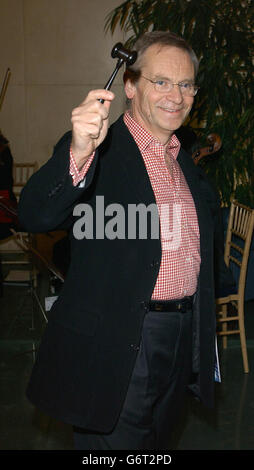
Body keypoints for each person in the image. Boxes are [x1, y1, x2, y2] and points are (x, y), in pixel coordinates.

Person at [18, 31, 221, 450]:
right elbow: (35, 215)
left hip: (180, 336)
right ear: (129, 85)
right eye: (160, 81)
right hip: (120, 339)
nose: (176, 96)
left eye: (186, 85)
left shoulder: (185, 158)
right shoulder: (99, 149)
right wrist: (76, 152)